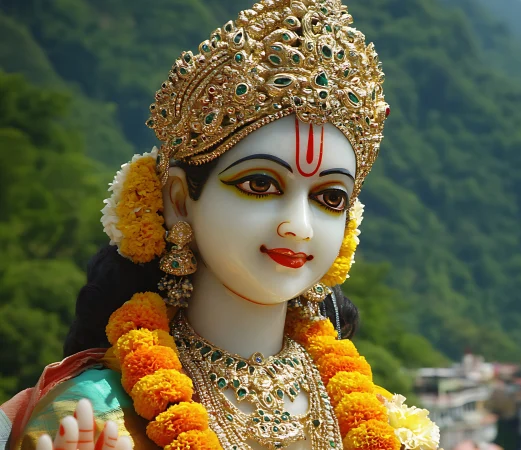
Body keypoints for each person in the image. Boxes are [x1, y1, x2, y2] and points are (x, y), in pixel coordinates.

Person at [1, 1, 440, 450]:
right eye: (260, 184)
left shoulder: (382, 419)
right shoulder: (96, 416)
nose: (299, 226)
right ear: (178, 200)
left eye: (330, 198)